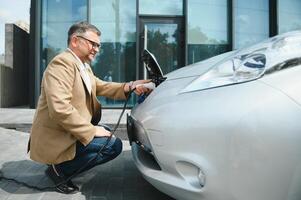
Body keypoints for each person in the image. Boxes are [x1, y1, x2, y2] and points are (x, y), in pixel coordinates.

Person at [27, 21, 150, 194]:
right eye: (93, 44)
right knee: (112, 145)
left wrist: (129, 86)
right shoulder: (61, 64)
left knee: (106, 132)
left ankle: (64, 163)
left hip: (66, 130)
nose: (97, 49)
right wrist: (91, 130)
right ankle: (59, 170)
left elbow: (101, 86)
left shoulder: (81, 65)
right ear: (75, 41)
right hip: (56, 136)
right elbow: (59, 108)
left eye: (98, 45)